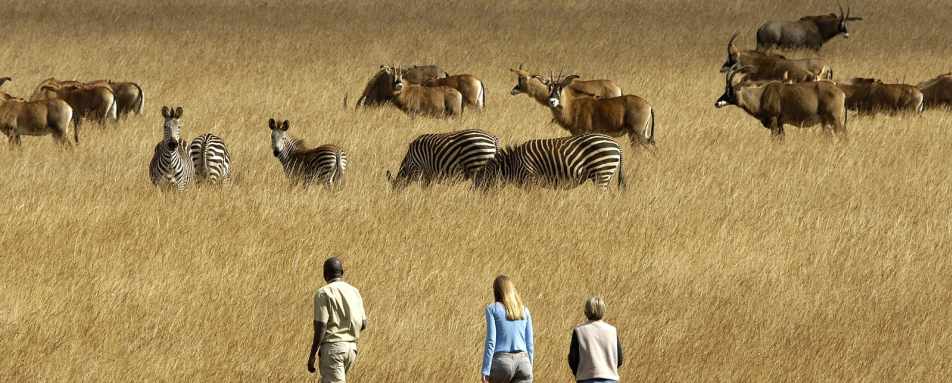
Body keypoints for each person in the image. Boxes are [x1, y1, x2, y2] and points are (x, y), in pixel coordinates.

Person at [306, 257, 368, 383]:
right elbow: (363, 324)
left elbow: (321, 326)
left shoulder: (323, 293)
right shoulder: (354, 291)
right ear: (342, 273)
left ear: (325, 274)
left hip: (333, 349)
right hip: (351, 349)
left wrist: (312, 355)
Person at [482, 275, 534, 383]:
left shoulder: (492, 309)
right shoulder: (524, 310)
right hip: (524, 362)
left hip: (502, 362)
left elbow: (491, 340)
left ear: (496, 290)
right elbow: (530, 343)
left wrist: (486, 370)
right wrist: (529, 366)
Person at [567, 296, 623, 383]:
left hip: (586, 379)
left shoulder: (579, 331)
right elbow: (619, 360)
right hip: (610, 379)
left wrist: (578, 373)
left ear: (586, 311)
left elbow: (573, 359)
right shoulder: (612, 330)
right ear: (603, 310)